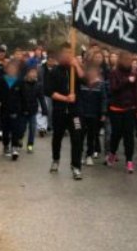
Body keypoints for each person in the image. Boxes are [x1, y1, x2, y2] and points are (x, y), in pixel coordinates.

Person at [48, 43, 85, 180]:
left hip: (75, 111)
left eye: (70, 52)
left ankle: (76, 167)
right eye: (65, 52)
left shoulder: (75, 70)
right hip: (59, 110)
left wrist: (76, 65)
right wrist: (65, 98)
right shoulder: (54, 71)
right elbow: (49, 92)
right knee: (57, 136)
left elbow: (85, 80)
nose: (68, 55)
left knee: (77, 137)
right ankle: (55, 159)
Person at [106, 52, 137, 173]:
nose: (128, 61)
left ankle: (129, 161)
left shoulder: (134, 74)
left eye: (130, 59)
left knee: (129, 135)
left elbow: (136, 92)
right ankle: (112, 153)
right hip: (116, 108)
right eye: (126, 59)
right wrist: (126, 81)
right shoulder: (114, 73)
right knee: (116, 133)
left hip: (129, 108)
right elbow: (113, 88)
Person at [0, 60, 26, 160]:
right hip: (4, 109)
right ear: (6, 69)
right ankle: (6, 145)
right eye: (10, 68)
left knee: (16, 130)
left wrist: (25, 109)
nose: (12, 70)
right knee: (6, 130)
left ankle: (14, 147)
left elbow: (24, 96)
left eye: (14, 69)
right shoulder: (1, 81)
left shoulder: (20, 82)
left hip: (16, 110)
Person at [77, 64, 107, 166]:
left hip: (94, 114)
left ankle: (89, 155)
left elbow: (103, 99)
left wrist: (103, 112)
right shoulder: (81, 83)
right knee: (79, 135)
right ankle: (79, 154)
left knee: (92, 136)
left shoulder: (100, 84)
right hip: (80, 114)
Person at [21, 66, 48, 153]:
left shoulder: (38, 85)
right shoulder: (22, 83)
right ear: (27, 73)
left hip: (33, 110)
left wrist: (44, 109)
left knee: (32, 128)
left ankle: (30, 145)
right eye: (31, 72)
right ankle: (19, 139)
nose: (33, 74)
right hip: (22, 109)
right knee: (22, 128)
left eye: (35, 73)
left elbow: (41, 98)